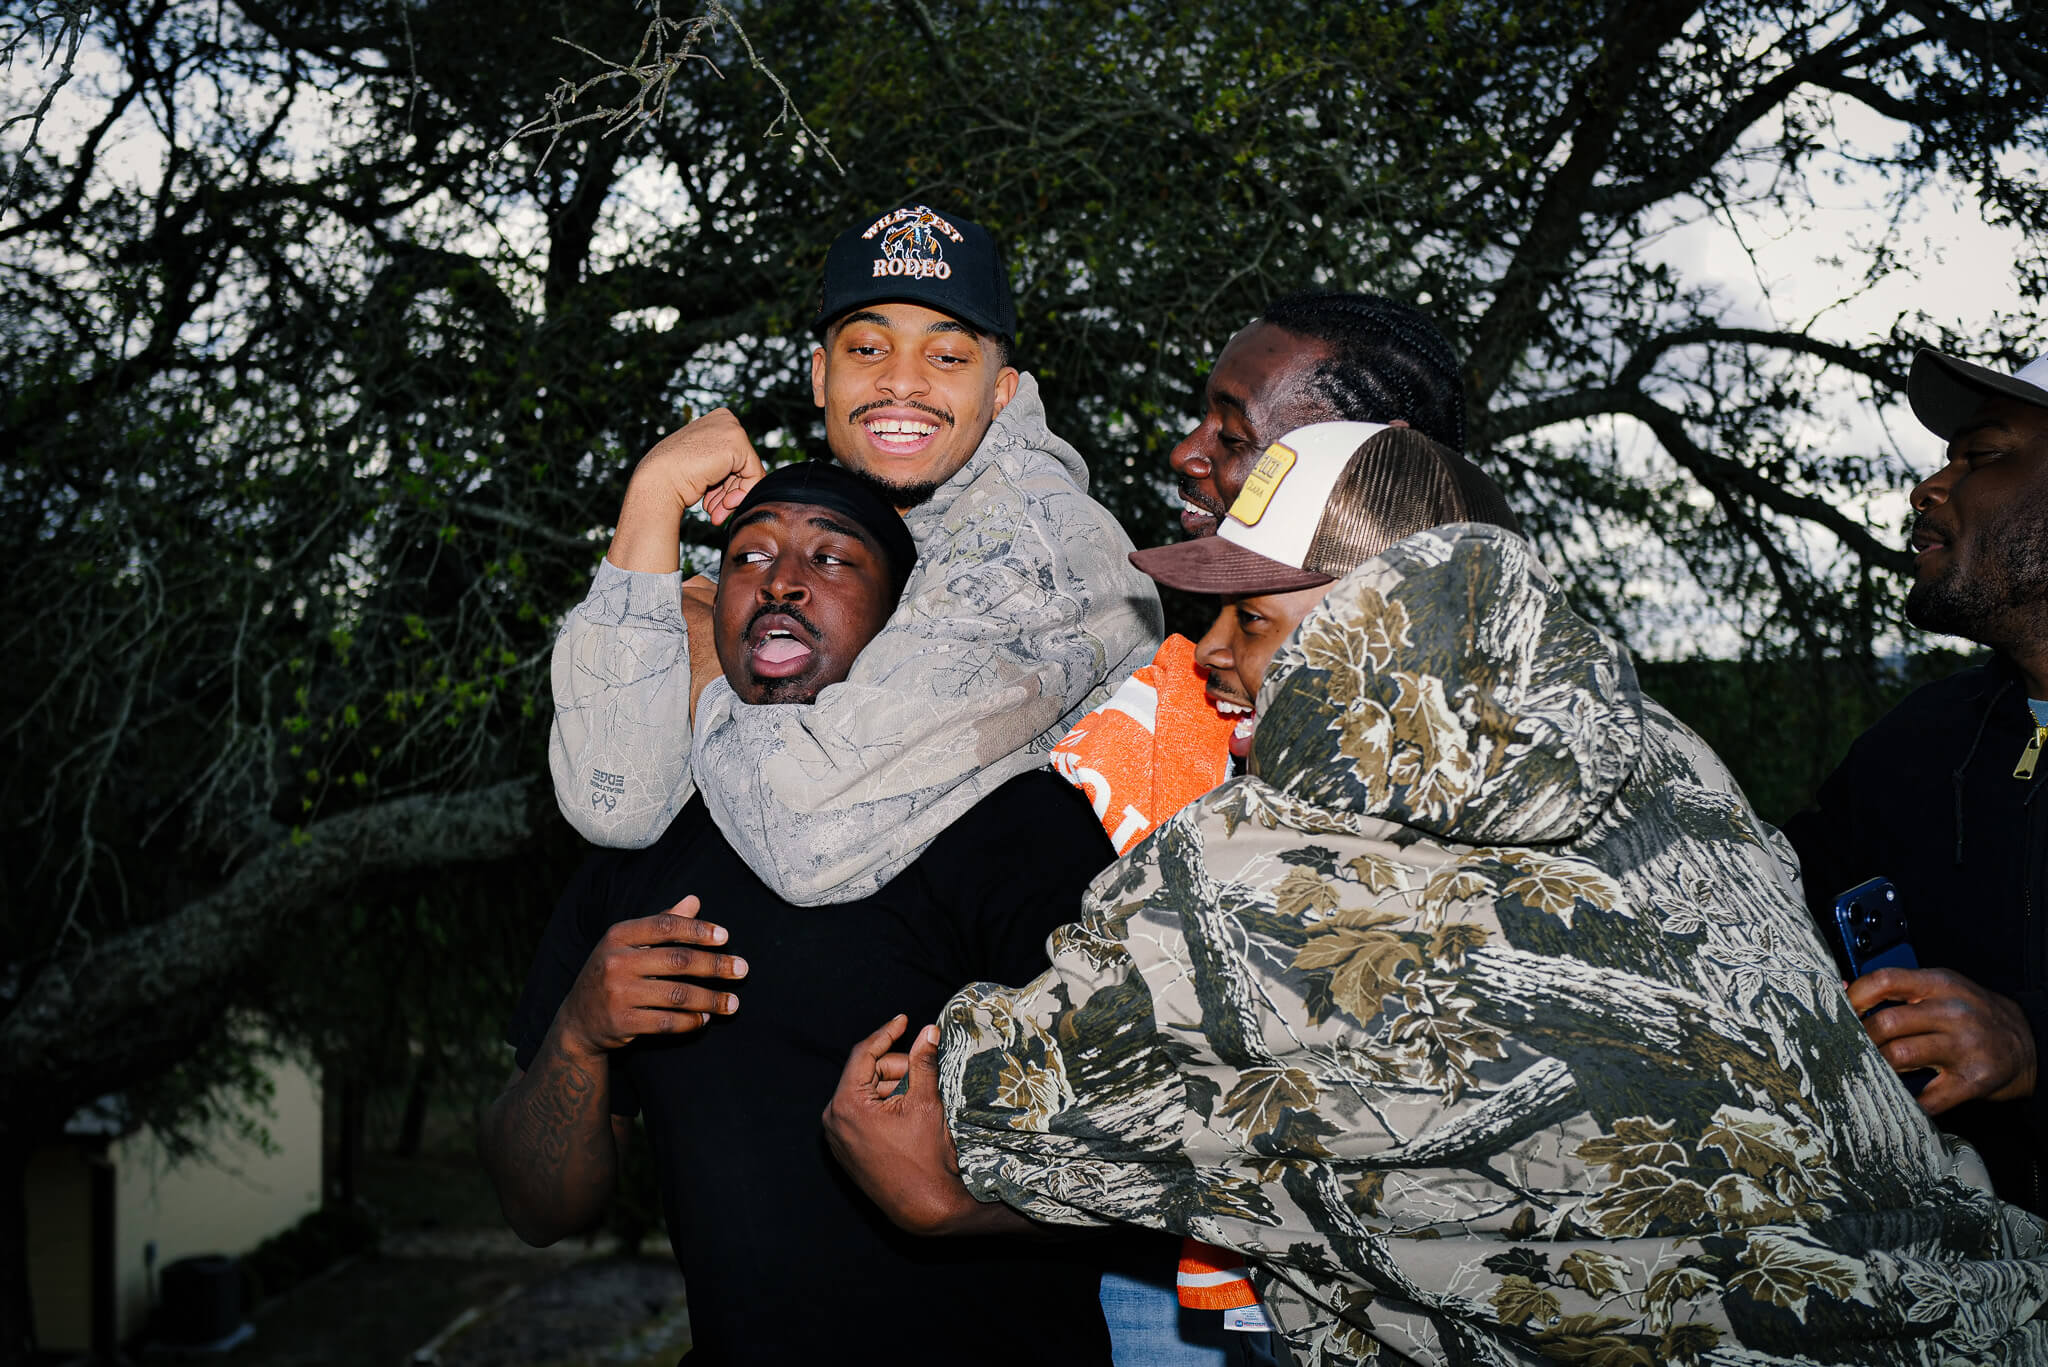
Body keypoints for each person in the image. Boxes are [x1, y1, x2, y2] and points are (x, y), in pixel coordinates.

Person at [824, 427, 2048, 1365]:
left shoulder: (1249, 881)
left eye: (1252, 616)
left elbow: (953, 1133)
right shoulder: (1670, 761)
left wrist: (918, 1166)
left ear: (1382, 617)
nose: (1204, 652)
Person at [485, 463, 1120, 1365]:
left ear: (901, 619)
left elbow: (1171, 1160)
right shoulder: (639, 858)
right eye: (749, 555)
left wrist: (954, 1197)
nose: (781, 579)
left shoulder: (1012, 824)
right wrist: (579, 1039)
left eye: (831, 557)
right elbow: (535, 1207)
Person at [548, 200, 1160, 906]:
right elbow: (615, 802)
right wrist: (652, 499)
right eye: (868, 349)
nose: (901, 381)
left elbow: (804, 836)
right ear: (820, 376)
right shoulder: (830, 530)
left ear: (1001, 391)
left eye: (947, 355)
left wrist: (704, 643)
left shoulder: (1042, 554)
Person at [1783, 346, 2048, 1218]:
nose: (1928, 487)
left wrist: (2033, 1044)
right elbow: (1771, 887)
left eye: (1982, 456)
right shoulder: (1919, 741)